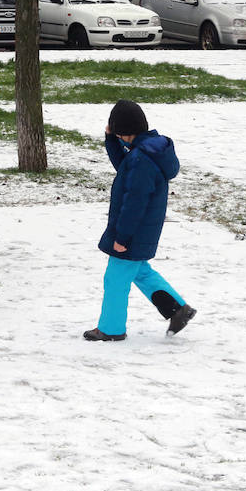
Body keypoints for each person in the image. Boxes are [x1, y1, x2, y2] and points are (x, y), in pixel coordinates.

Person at [84, 100, 195, 342]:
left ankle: (110, 328)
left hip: (133, 230)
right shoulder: (145, 153)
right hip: (143, 229)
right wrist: (111, 140)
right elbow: (124, 168)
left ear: (125, 132)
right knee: (140, 271)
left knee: (115, 279)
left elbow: (134, 202)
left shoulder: (141, 160)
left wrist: (122, 237)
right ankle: (178, 309)